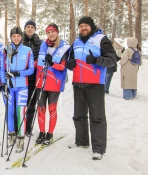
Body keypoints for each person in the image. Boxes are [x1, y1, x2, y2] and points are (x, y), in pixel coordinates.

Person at [66, 16, 116, 160]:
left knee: (97, 117)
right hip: (78, 83)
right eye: (81, 26)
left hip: (95, 84)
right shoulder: (75, 42)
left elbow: (112, 60)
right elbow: (69, 59)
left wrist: (96, 60)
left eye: (85, 25)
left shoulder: (102, 39)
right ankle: (82, 141)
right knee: (79, 115)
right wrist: (70, 64)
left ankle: (98, 149)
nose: (83, 28)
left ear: (91, 26)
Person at [0, 26, 34, 153]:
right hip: (9, 86)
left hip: (22, 86)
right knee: (10, 111)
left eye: (18, 36)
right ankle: (11, 135)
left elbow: (31, 70)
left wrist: (18, 73)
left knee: (20, 112)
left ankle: (20, 138)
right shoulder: (5, 50)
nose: (16, 38)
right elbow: (1, 68)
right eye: (14, 36)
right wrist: (3, 83)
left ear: (22, 36)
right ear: (11, 37)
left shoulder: (28, 50)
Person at [35, 24, 70, 145]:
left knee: (52, 109)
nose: (51, 34)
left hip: (54, 82)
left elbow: (63, 66)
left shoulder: (64, 47)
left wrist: (52, 63)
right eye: (48, 32)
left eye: (53, 31)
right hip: (41, 81)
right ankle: (41, 132)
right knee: (40, 109)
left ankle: (50, 133)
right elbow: (37, 62)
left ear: (57, 32)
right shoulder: (42, 46)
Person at [22, 20, 42, 137]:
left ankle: (28, 127)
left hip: (34, 77)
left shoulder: (39, 42)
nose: (30, 29)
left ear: (34, 29)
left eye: (32, 27)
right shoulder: (20, 40)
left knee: (31, 104)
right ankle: (19, 126)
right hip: (22, 77)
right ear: (25, 28)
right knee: (21, 104)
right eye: (28, 27)